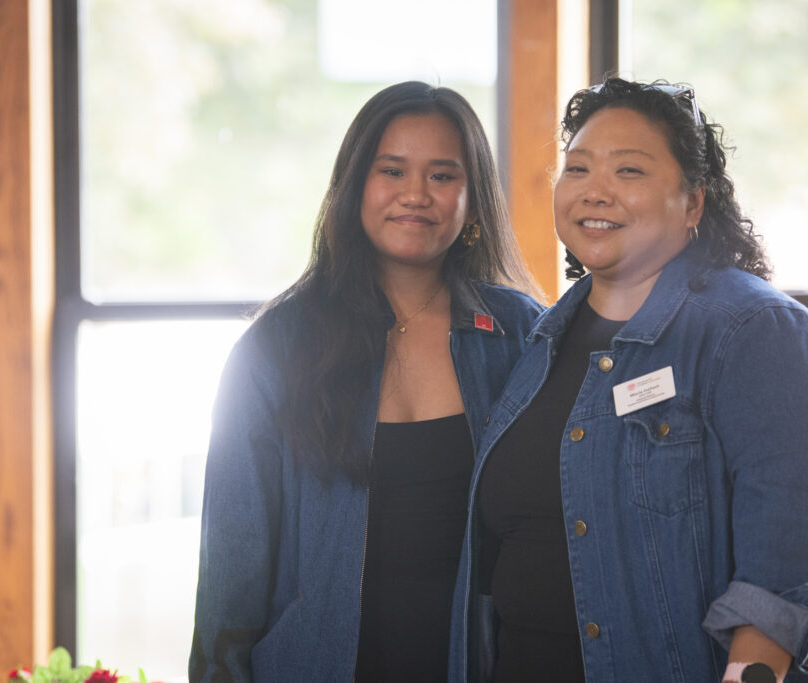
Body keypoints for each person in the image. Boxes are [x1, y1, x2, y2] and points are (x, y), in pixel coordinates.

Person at [448, 77, 808, 682]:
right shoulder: (539, 341)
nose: (596, 192)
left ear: (693, 203)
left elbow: (791, 561)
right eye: (579, 168)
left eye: (630, 172)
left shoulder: (759, 332)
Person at [188, 81, 542, 682]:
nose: (415, 195)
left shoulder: (519, 335)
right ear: (354, 187)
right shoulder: (276, 348)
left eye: (442, 176)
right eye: (392, 170)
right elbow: (231, 569)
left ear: (475, 200)